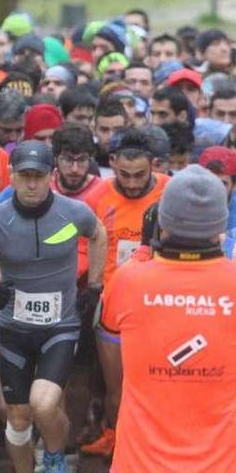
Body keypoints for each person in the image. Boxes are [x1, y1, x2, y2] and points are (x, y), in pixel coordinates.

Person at [0, 142, 107, 473]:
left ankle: (54, 454)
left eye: (38, 176)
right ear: (11, 176)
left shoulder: (73, 212)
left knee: (43, 403)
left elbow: (98, 234)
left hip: (60, 326)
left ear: (51, 176)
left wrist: (95, 286)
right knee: (18, 415)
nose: (31, 184)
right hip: (13, 329)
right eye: (24, 176)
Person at [100, 164, 236, 471]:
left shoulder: (128, 280)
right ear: (219, 228)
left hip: (139, 464)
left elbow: (111, 349)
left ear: (162, 222)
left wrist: (144, 252)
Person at [81, 128, 169, 459]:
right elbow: (80, 244)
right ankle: (115, 437)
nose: (132, 183)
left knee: (154, 384)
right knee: (116, 389)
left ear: (155, 165)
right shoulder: (97, 197)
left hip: (158, 303)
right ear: (112, 162)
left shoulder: (169, 191)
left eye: (140, 175)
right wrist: (89, 284)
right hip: (111, 302)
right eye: (124, 175)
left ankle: (150, 446)